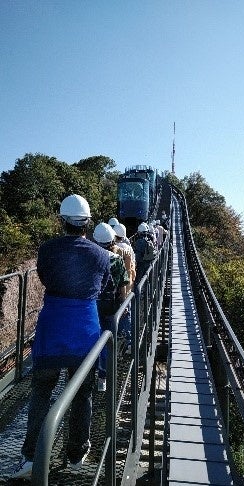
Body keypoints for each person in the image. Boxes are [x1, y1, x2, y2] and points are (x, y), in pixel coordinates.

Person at [12, 194, 110, 480]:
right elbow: (102, 286)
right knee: (82, 394)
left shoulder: (47, 250)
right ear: (87, 223)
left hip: (53, 324)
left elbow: (44, 277)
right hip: (86, 328)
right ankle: (77, 454)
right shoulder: (102, 255)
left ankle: (31, 455)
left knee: (41, 392)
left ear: (62, 220)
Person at [93, 223, 129, 390]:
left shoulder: (92, 256)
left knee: (93, 337)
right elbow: (123, 285)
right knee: (108, 340)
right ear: (112, 240)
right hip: (111, 305)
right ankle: (103, 377)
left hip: (92, 304)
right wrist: (123, 303)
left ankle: (86, 372)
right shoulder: (116, 259)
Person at [113, 223, 136, 350]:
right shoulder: (128, 248)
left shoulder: (112, 249)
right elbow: (133, 267)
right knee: (126, 312)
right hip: (127, 287)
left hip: (113, 290)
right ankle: (129, 341)